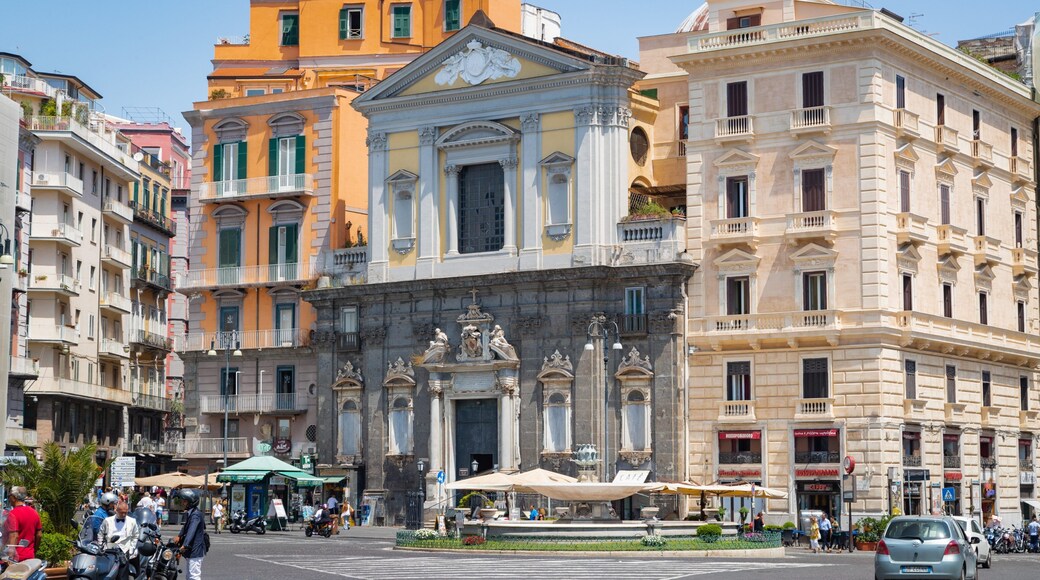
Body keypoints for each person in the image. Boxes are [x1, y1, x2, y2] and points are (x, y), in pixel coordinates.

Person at [98, 501, 140, 580]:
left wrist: (131, 549)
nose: (124, 515)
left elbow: (135, 536)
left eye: (125, 512)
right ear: (116, 511)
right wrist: (101, 547)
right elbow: (100, 534)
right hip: (109, 550)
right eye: (121, 513)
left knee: (122, 576)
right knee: (107, 573)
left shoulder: (132, 521)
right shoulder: (107, 521)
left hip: (124, 550)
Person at [173, 489, 207, 580]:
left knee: (194, 575)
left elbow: (191, 530)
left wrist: (184, 545)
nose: (182, 503)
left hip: (195, 550)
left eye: (184, 501)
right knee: (189, 575)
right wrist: (179, 536)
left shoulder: (195, 515)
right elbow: (185, 527)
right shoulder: (191, 512)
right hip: (191, 550)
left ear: (190, 502)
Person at [4, 487, 41, 562]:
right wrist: (34, 550)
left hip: (15, 559)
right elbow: (39, 535)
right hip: (30, 557)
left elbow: (14, 536)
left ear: (14, 497)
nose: (9, 499)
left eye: (9, 496)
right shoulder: (34, 513)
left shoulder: (12, 514)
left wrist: (10, 558)